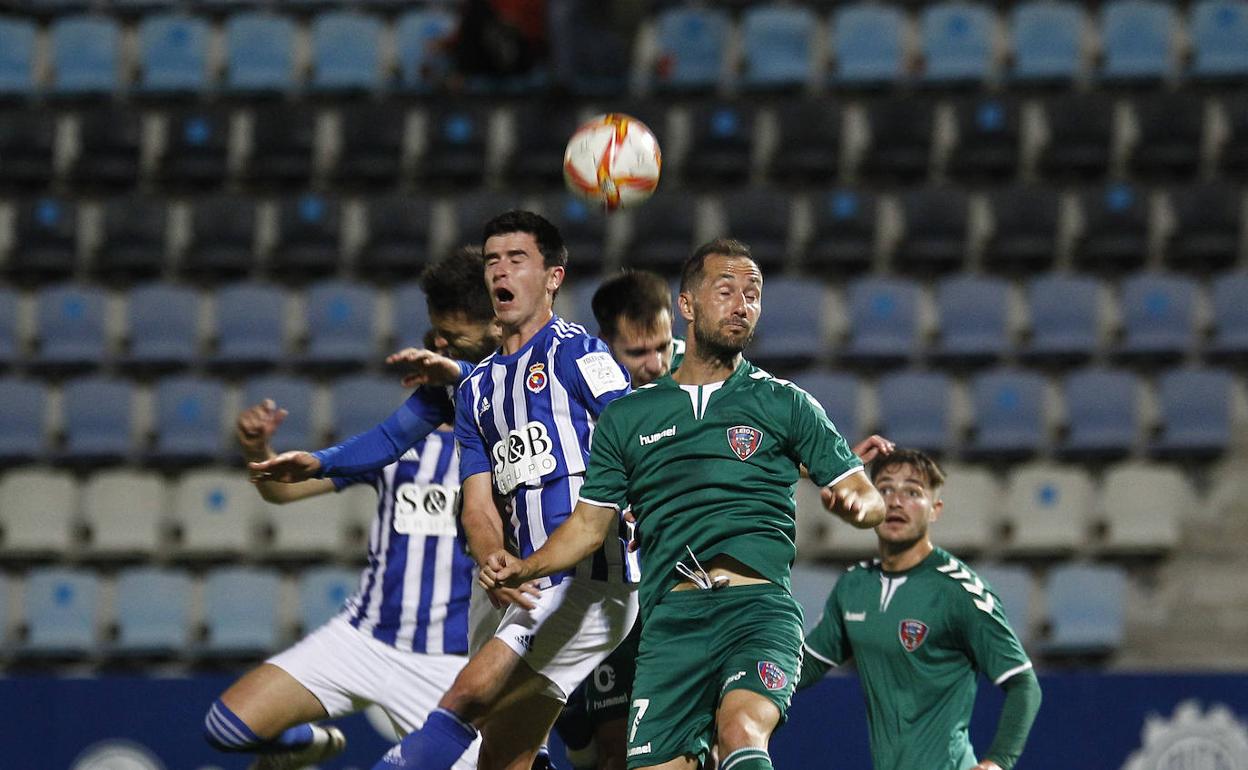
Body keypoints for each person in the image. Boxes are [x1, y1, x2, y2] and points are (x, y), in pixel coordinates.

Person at [481, 237, 887, 770]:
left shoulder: (785, 402)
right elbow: (586, 525)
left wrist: (859, 507)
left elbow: (862, 491)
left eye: (753, 293)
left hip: (756, 612)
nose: (742, 304)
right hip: (669, 623)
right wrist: (524, 566)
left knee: (741, 730)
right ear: (687, 306)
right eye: (726, 290)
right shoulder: (629, 419)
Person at [204, 247, 503, 770]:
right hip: (362, 638)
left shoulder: (511, 435)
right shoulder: (412, 427)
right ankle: (305, 746)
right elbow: (284, 492)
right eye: (435, 335)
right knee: (225, 727)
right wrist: (260, 454)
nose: (436, 344)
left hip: (451, 662)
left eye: (450, 338)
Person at [371, 210, 638, 770]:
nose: (502, 271)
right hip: (528, 580)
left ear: (552, 278)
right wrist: (492, 552)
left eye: (518, 260)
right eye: (494, 260)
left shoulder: (582, 356)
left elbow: (638, 440)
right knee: (503, 755)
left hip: (593, 579)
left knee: (467, 697)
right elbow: (478, 500)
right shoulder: (477, 388)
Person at [796, 449, 1042, 770]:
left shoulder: (960, 590)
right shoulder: (854, 586)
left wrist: (998, 763)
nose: (896, 501)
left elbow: (1024, 685)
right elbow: (806, 666)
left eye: (912, 492)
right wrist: (744, 686)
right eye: (884, 489)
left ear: (935, 510)